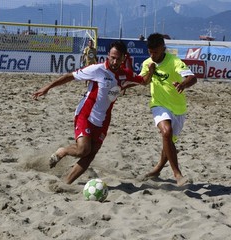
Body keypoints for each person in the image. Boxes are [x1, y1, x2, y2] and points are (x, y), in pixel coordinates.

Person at [32, 41, 155, 185]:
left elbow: (144, 81)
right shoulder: (97, 69)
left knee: (90, 154)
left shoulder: (125, 74)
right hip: (86, 114)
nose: (114, 61)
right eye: (112, 57)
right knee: (83, 150)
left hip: (103, 120)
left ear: (124, 58)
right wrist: (47, 87)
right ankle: (63, 151)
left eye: (118, 58)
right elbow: (70, 76)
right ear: (108, 55)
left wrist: (151, 69)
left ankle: (65, 184)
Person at [140, 33, 197, 186]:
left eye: (156, 52)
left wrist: (183, 84)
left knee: (169, 140)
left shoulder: (174, 61)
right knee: (166, 132)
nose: (153, 55)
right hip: (158, 104)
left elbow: (193, 78)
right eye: (150, 52)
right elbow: (143, 82)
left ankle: (158, 167)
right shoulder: (147, 63)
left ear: (163, 49)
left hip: (178, 108)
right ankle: (177, 174)